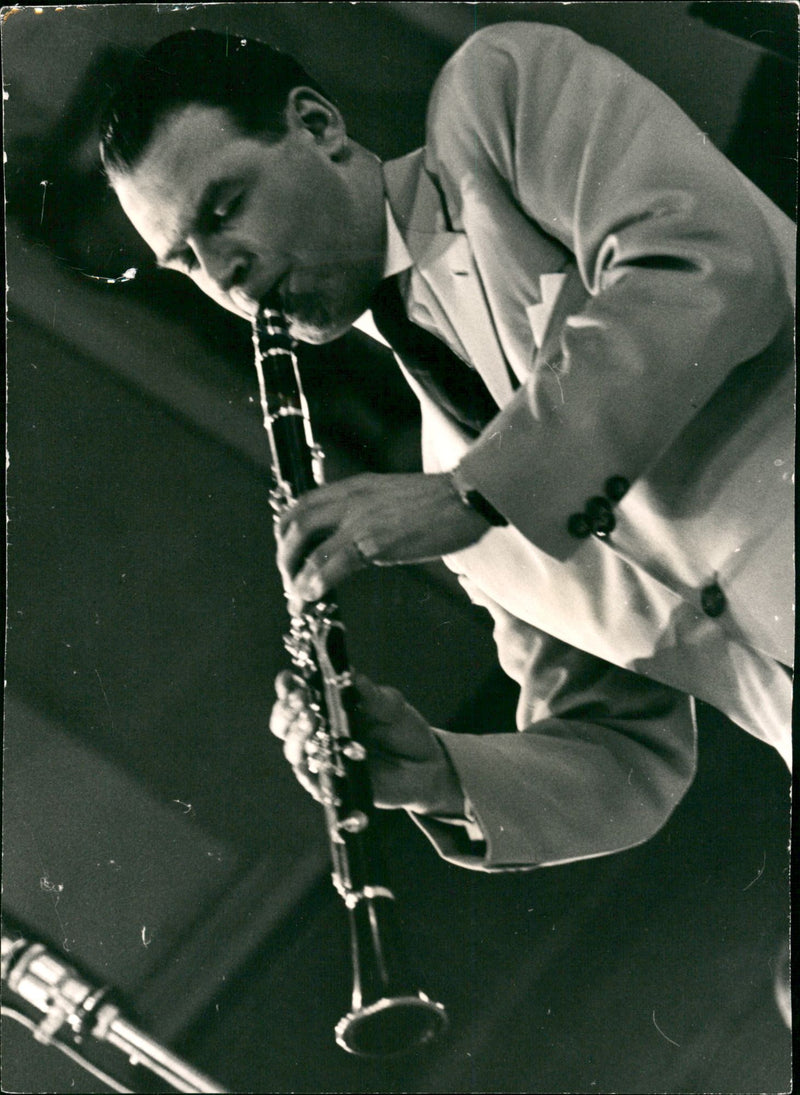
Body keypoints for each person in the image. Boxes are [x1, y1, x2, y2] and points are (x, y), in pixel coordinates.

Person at [99, 22, 794, 872]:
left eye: (224, 207)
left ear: (317, 125)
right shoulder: (448, 470)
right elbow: (631, 756)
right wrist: (435, 770)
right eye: (189, 263)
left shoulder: (494, 103)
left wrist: (474, 495)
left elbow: (705, 263)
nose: (225, 273)